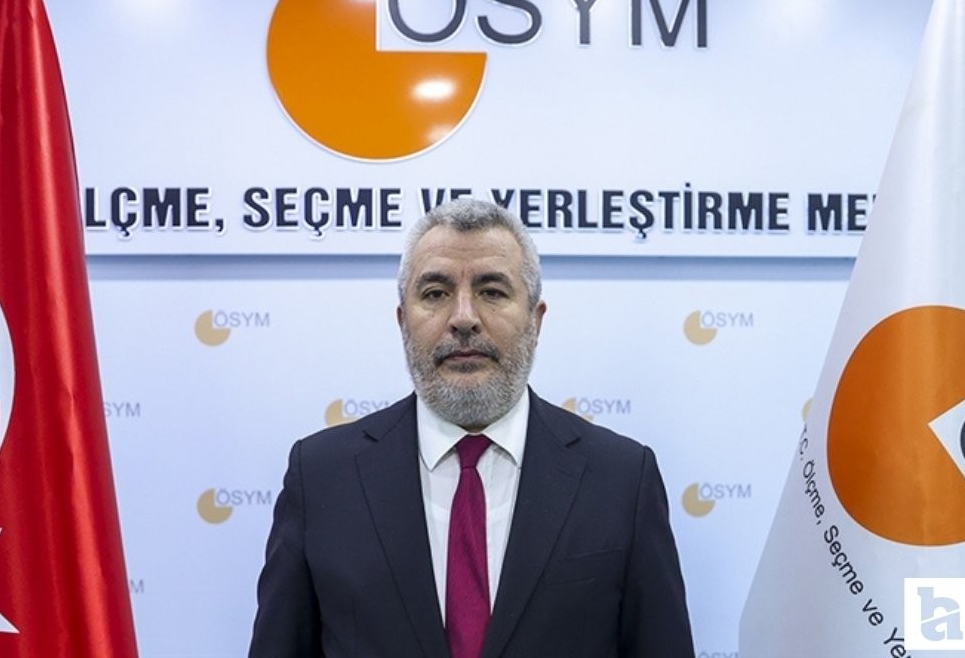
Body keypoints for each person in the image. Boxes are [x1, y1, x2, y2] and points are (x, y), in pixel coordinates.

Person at [249, 198, 695, 657]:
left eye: (492, 291)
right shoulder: (322, 477)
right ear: (403, 322)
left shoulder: (621, 479)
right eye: (435, 294)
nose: (464, 318)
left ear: (535, 320)